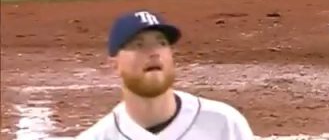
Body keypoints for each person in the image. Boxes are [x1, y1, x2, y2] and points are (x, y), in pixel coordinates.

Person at [76, 10, 254, 139]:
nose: (154, 52)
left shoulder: (223, 124)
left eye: (161, 43)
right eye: (138, 45)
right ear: (115, 64)